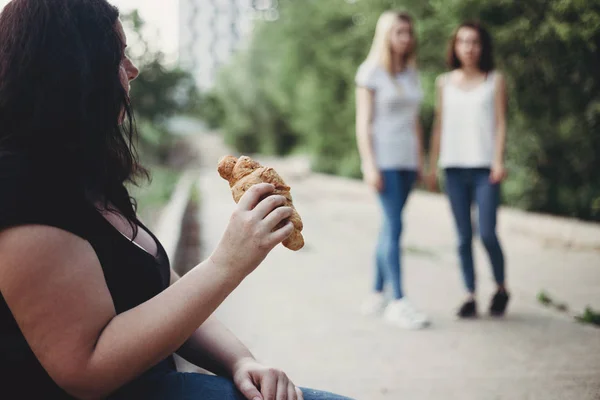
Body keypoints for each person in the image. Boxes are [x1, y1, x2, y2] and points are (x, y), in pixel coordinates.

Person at [0, 1, 353, 399]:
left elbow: (160, 290)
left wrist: (241, 361)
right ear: (73, 69)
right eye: (118, 54)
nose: (133, 69)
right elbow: (87, 368)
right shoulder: (18, 191)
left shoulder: (80, 171)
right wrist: (227, 263)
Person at [427, 21, 510, 318]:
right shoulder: (444, 82)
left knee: (486, 233)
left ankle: (501, 287)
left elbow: (500, 124)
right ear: (455, 46)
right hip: (453, 168)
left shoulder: (494, 80)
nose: (469, 47)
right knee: (463, 236)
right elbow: (439, 124)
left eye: (474, 42)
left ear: (482, 46)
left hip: (485, 169)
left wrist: (499, 160)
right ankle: (469, 294)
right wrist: (432, 163)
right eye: (463, 41)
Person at [354, 10, 430, 330]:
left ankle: (376, 293)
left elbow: (414, 121)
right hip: (383, 162)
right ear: (386, 35)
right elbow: (363, 123)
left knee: (390, 227)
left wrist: (422, 161)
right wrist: (369, 164)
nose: (405, 38)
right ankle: (398, 300)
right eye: (399, 32)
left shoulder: (410, 73)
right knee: (394, 227)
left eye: (408, 33)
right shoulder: (370, 72)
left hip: (407, 162)